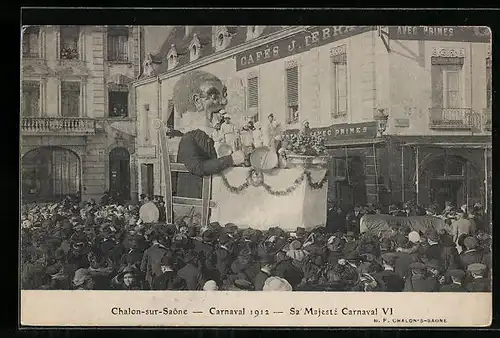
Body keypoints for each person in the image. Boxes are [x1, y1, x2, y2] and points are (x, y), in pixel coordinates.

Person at [174, 70, 245, 199]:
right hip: (200, 206)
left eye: (224, 95)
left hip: (223, 196)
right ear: (197, 101)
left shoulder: (219, 133)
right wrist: (231, 159)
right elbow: (197, 167)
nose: (224, 102)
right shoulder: (189, 138)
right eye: (214, 96)